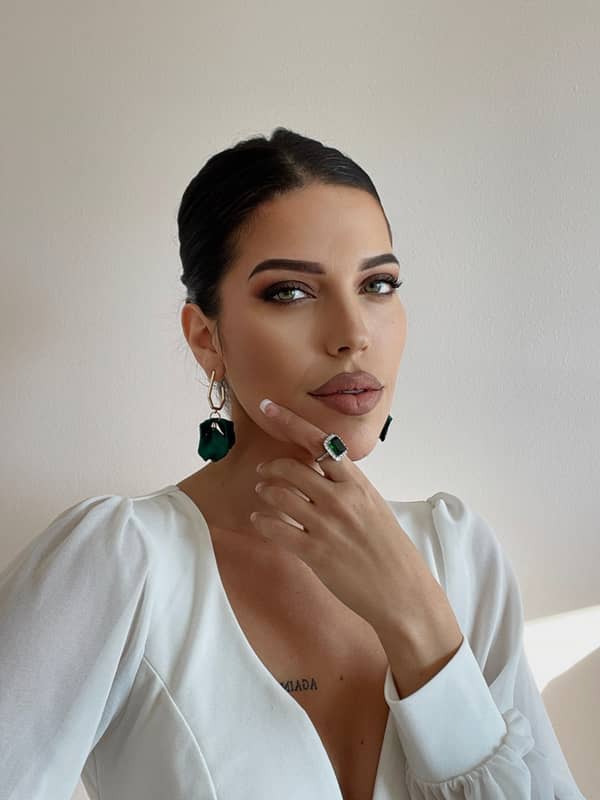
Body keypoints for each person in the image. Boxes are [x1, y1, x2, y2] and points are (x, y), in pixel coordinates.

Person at [0, 127, 585, 799]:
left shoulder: (459, 556)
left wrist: (417, 618)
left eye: (379, 284)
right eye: (290, 292)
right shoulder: (122, 564)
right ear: (206, 337)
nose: (352, 334)